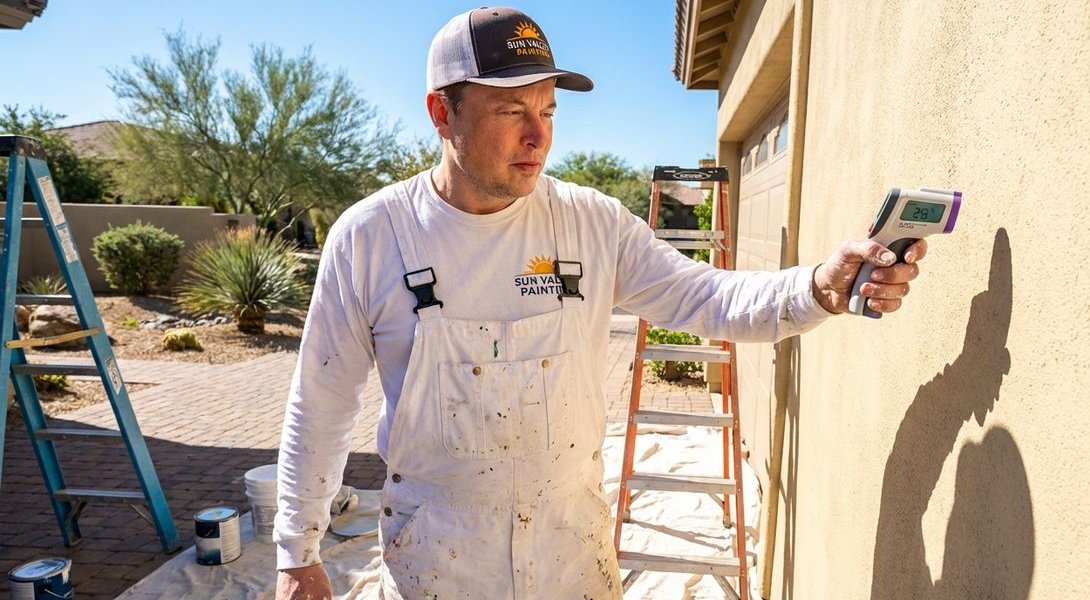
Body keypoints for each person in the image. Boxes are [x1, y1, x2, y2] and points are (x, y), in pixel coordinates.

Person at [274, 6, 928, 600]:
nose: (538, 137)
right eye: (511, 113)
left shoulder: (590, 223)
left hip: (570, 551)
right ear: (442, 112)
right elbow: (322, 401)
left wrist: (819, 287)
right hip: (436, 562)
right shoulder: (372, 237)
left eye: (549, 111)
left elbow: (708, 296)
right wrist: (297, 552)